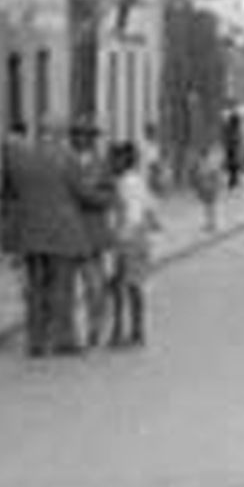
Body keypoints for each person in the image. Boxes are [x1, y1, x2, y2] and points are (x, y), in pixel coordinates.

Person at [1, 117, 94, 357]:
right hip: (62, 233)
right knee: (62, 288)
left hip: (31, 233)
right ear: (59, 134)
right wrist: (105, 197)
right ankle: (63, 339)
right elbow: (82, 193)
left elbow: (12, 192)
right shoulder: (68, 158)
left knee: (36, 289)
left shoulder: (23, 158)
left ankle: (36, 341)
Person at [107, 141, 159, 347]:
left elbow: (128, 213)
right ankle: (135, 330)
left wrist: (120, 237)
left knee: (122, 286)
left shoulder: (125, 183)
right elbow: (151, 208)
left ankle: (123, 331)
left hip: (128, 238)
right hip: (138, 237)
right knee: (131, 286)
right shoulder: (137, 180)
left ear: (123, 161)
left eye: (114, 159)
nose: (110, 163)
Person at [69, 126, 116, 348]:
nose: (80, 139)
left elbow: (110, 196)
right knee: (65, 287)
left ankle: (94, 327)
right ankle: (68, 333)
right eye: (76, 135)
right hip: (66, 232)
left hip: (92, 231)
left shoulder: (102, 165)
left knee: (94, 284)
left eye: (85, 136)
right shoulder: (64, 161)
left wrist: (89, 196)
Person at [189, 140, 223, 234]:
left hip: (209, 188)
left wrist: (214, 184)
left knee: (209, 207)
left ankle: (211, 224)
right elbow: (201, 175)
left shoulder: (208, 163)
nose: (200, 157)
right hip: (208, 188)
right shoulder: (207, 163)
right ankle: (210, 223)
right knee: (208, 207)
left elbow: (212, 175)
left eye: (201, 155)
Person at [222, 103, 244, 192]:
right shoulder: (234, 129)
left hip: (231, 147)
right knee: (234, 165)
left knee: (233, 165)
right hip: (233, 147)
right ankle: (234, 181)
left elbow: (227, 136)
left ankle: (233, 181)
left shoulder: (230, 128)